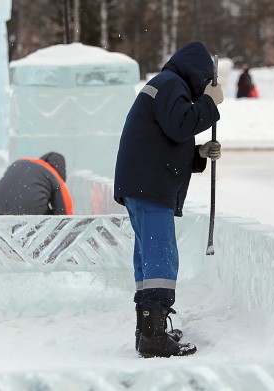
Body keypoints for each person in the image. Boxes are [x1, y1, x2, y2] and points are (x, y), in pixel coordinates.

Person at [114, 41, 223, 358]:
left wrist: (199, 154)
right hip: (149, 187)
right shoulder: (171, 85)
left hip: (143, 183)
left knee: (149, 260)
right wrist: (210, 105)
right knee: (161, 257)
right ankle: (153, 335)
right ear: (199, 74)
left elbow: (165, 142)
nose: (204, 88)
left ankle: (148, 329)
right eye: (205, 83)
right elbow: (181, 126)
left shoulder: (165, 86)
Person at [0, 152, 73, 215]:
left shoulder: (22, 161)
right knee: (51, 219)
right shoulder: (54, 174)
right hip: (30, 210)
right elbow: (65, 210)